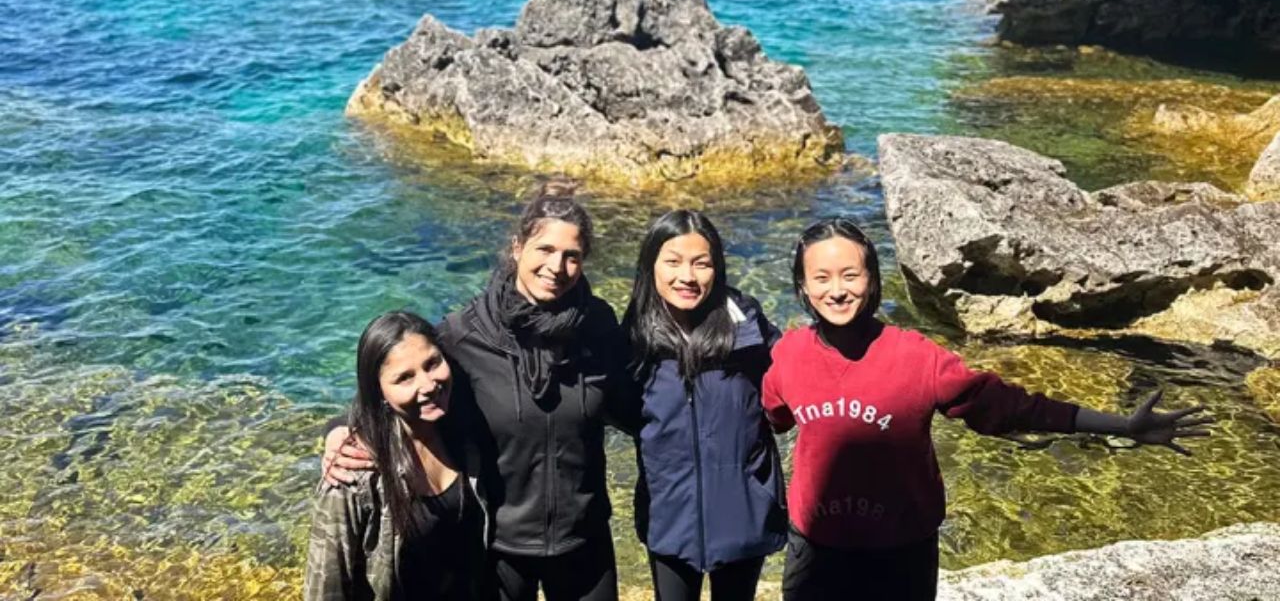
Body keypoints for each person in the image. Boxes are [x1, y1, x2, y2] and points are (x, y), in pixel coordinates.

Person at [761, 218, 1214, 601]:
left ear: (873, 280)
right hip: (815, 547)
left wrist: (1121, 425)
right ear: (803, 285)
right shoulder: (789, 354)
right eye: (821, 278)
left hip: (900, 550)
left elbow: (1012, 407)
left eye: (850, 275)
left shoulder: (916, 357)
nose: (837, 290)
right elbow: (768, 419)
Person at [323, 182, 639, 601]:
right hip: (499, 545)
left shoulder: (597, 324)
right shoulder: (465, 334)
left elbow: (628, 401)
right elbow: (403, 377)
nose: (556, 267)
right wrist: (339, 429)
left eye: (571, 256)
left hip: (584, 538)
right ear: (517, 248)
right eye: (544, 250)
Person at [622, 210, 786, 601]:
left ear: (718, 267)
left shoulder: (748, 328)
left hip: (744, 509)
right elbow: (614, 407)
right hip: (669, 512)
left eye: (701, 263)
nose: (688, 277)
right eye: (673, 262)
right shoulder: (633, 339)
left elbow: (795, 381)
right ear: (651, 266)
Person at [304, 311, 490, 601]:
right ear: (378, 392)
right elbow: (326, 587)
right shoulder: (354, 472)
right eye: (404, 378)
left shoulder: (464, 429)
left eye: (433, 363)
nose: (428, 385)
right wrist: (336, 430)